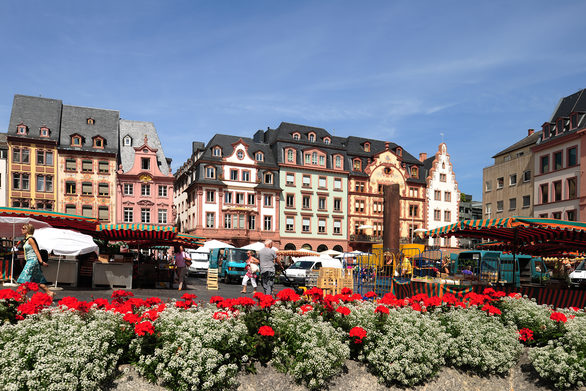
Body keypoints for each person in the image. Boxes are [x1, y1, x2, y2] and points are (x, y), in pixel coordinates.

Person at [16, 224, 55, 298]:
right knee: (38, 280)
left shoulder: (31, 239)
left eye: (23, 228)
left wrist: (41, 262)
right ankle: (49, 292)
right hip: (30, 260)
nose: (22, 229)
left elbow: (36, 251)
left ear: (28, 230)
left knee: (24, 278)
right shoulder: (27, 239)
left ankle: (22, 296)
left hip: (32, 261)